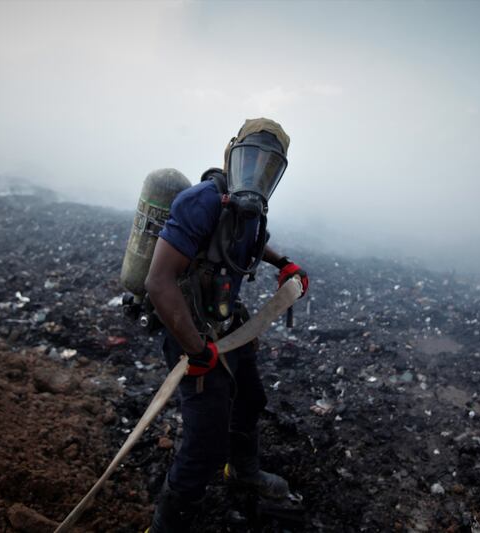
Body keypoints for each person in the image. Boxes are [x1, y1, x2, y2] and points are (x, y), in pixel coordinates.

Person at [144, 118, 309, 532]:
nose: (256, 172)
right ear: (231, 153)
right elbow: (158, 281)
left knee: (249, 400)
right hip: (189, 332)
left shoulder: (248, 204)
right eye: (250, 158)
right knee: (204, 442)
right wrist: (197, 354)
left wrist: (282, 263)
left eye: (268, 165)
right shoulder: (201, 201)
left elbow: (249, 237)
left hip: (226, 326)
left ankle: (243, 472)